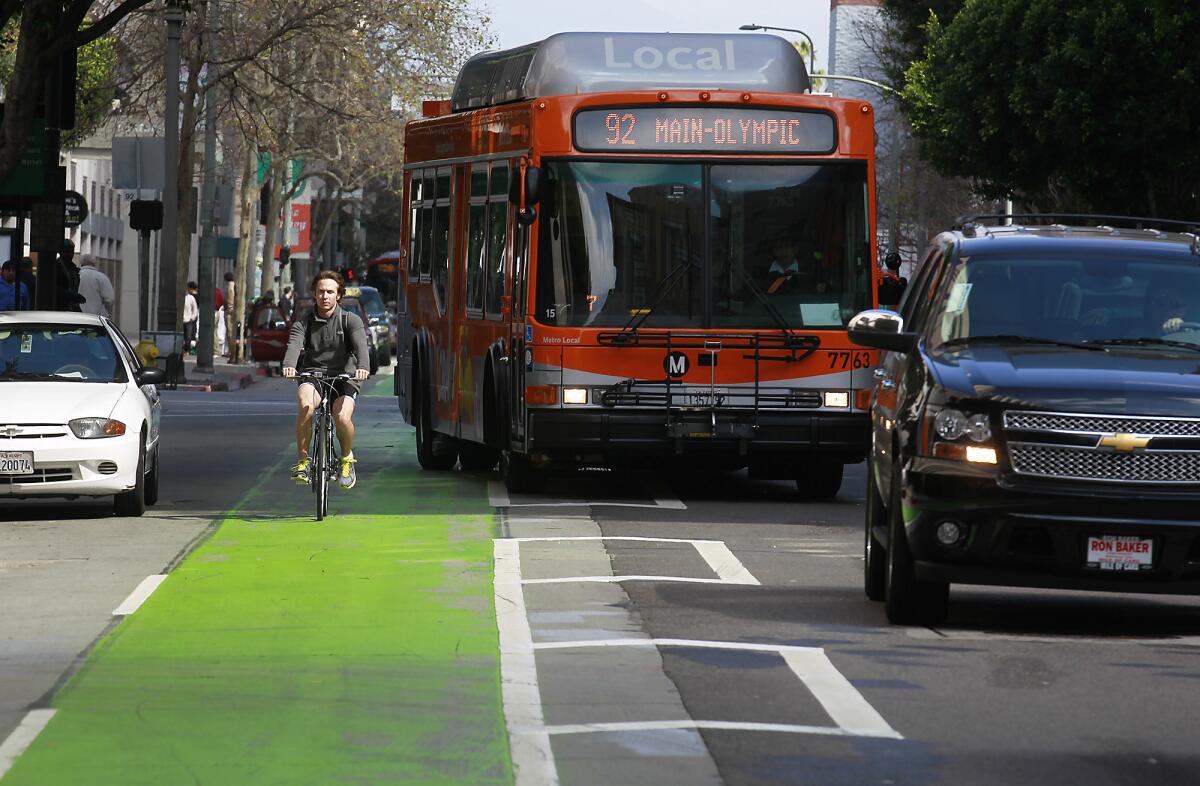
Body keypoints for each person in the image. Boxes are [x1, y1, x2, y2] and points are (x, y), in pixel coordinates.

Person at [282, 271, 370, 491]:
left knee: (341, 416)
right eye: (321, 291)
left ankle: (347, 459)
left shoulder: (350, 320)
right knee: (305, 405)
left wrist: (363, 368)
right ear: (314, 294)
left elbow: (361, 349)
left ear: (339, 295)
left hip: (345, 377)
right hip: (313, 375)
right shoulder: (304, 322)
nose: (325, 296)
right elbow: (293, 346)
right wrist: (289, 365)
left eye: (330, 292)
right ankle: (303, 462)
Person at [56, 239, 84, 312]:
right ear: (60, 252)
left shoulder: (73, 269)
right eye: (67, 252)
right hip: (59, 309)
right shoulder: (55, 267)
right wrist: (72, 296)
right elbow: (53, 289)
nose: (70, 255)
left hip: (72, 308)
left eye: (72, 252)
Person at [183, 281, 200, 353]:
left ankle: (187, 349)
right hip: (183, 319)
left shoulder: (191, 297)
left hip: (189, 320)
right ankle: (185, 349)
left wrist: (192, 318)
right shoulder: (184, 297)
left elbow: (195, 309)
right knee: (184, 336)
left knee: (189, 336)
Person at [223, 272, 237, 358]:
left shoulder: (230, 287)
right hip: (231, 310)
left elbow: (230, 299)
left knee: (230, 332)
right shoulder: (233, 285)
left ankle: (231, 351)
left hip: (229, 312)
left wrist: (230, 309)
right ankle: (231, 351)